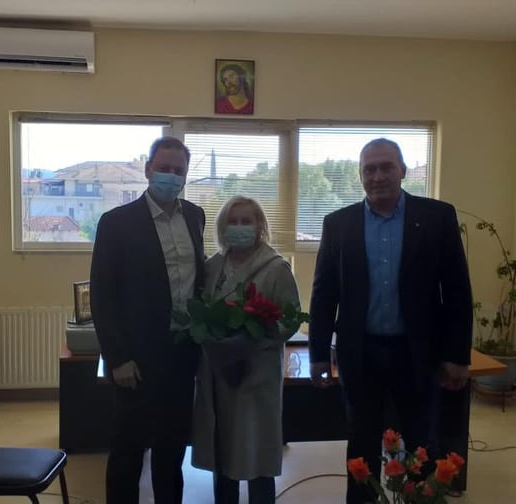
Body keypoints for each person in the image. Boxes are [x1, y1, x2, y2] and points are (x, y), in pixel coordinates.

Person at [308, 138, 473, 504]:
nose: (378, 176)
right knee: (361, 443)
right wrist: (318, 354)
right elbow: (324, 293)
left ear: (402, 171)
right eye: (369, 169)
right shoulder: (339, 224)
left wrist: (457, 356)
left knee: (421, 443)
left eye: (386, 167)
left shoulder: (437, 217)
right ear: (360, 175)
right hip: (360, 353)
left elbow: (457, 291)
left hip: (417, 353)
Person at [90, 136, 206, 504]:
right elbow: (103, 295)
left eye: (178, 170)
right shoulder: (116, 223)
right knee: (128, 449)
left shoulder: (195, 216)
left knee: (172, 449)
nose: (171, 176)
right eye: (163, 168)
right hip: (136, 359)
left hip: (182, 352)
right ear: (147, 170)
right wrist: (118, 357)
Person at [191, 196, 301, 504]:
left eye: (246, 221)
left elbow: (291, 317)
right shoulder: (213, 267)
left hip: (256, 375)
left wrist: (251, 340)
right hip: (218, 375)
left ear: (259, 226)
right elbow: (200, 310)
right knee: (222, 451)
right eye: (233, 221)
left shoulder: (276, 268)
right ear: (222, 228)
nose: (239, 227)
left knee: (257, 453)